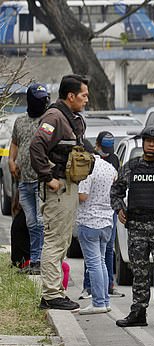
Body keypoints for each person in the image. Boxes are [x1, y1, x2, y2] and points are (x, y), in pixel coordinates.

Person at [30, 74, 89, 311]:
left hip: (68, 186)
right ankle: (51, 295)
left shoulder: (72, 118)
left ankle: (56, 291)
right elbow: (36, 146)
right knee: (54, 241)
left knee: (62, 240)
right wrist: (49, 177)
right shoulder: (55, 117)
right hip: (58, 188)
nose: (86, 100)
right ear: (71, 96)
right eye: (83, 95)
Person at [111, 125, 154, 328]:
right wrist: (119, 207)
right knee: (140, 273)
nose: (152, 145)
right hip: (137, 227)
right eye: (149, 141)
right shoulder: (131, 167)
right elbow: (115, 190)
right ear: (143, 143)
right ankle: (138, 312)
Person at [9, 83, 49, 275]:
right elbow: (15, 143)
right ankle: (33, 261)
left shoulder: (48, 120)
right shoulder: (20, 121)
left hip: (42, 180)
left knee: (41, 222)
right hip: (24, 180)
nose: (42, 103)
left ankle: (40, 260)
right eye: (39, 99)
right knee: (31, 222)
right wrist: (11, 159)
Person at [80, 131, 125, 300]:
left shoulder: (94, 166)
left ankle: (101, 297)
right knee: (98, 259)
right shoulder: (107, 166)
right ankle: (97, 293)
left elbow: (83, 195)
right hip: (105, 217)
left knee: (97, 259)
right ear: (96, 146)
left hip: (95, 217)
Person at [77, 154, 117, 315]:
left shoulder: (88, 169)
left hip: (89, 221)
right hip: (107, 221)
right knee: (101, 263)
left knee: (93, 264)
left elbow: (83, 196)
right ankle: (105, 300)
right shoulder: (110, 168)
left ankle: (98, 302)